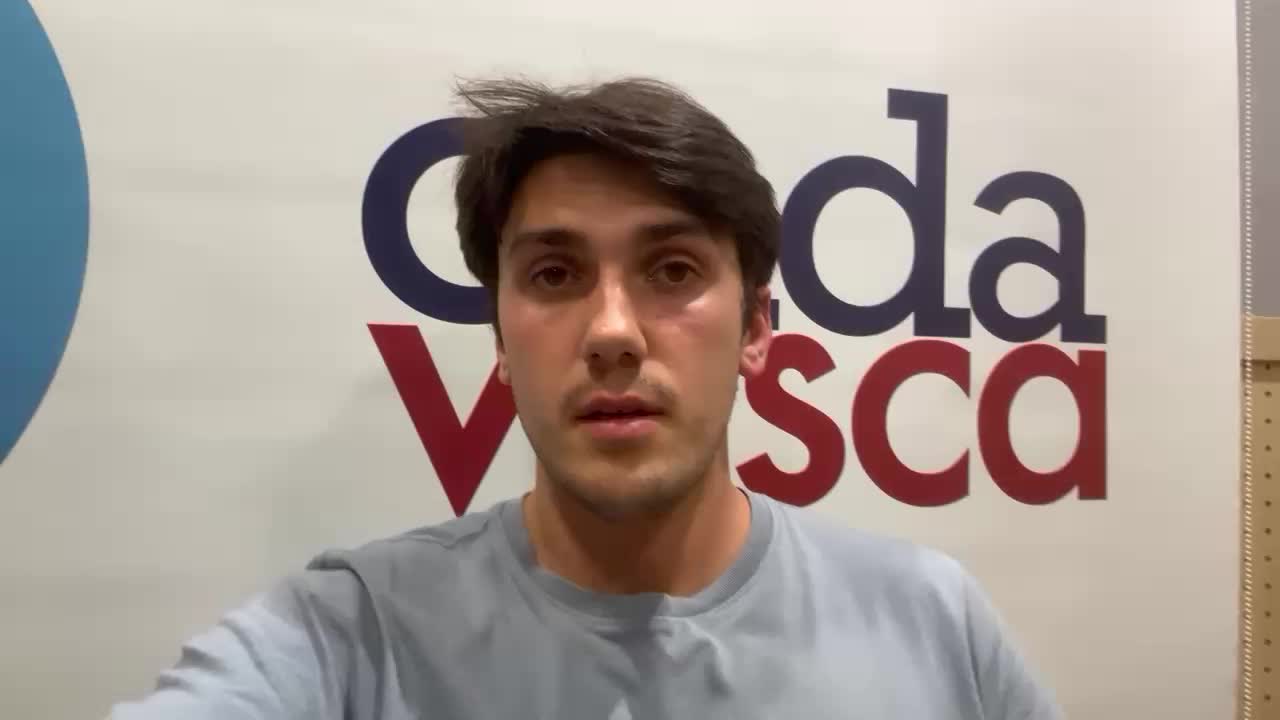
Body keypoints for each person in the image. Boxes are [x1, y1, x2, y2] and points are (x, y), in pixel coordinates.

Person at [110, 76, 1063, 719]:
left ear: (756, 328)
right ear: (500, 338)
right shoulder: (351, 639)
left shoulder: (933, 623)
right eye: (556, 275)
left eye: (673, 269)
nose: (612, 331)